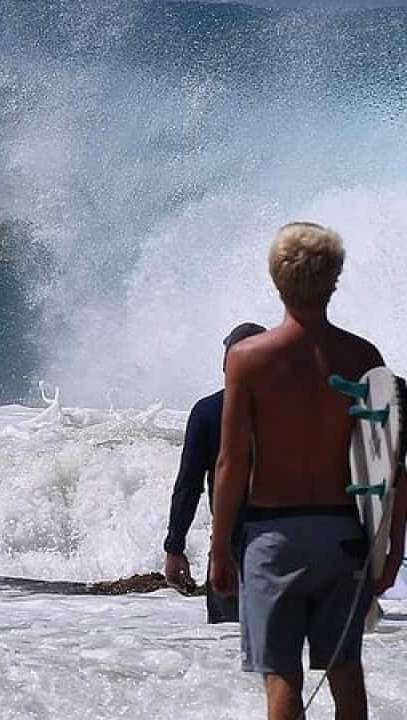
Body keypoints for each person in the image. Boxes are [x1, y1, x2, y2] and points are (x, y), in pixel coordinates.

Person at [210, 222, 406, 720]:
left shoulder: (248, 360)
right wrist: (392, 548)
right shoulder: (364, 357)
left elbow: (231, 462)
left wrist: (219, 547)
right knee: (345, 673)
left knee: (282, 677)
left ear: (276, 278)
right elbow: (390, 466)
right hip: (345, 537)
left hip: (274, 538)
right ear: (334, 279)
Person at [162, 321, 266, 623]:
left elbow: (189, 486)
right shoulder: (295, 410)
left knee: (227, 648)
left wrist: (174, 547)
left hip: (230, 550)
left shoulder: (207, 412)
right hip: (290, 547)